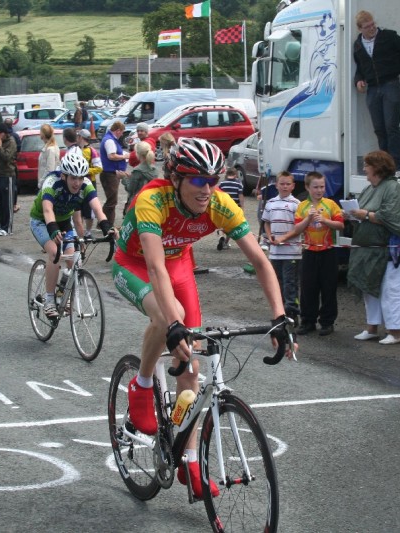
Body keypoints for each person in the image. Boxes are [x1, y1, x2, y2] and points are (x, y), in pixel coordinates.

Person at [112, 137, 293, 499]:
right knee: (170, 318)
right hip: (135, 264)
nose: (207, 189)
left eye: (214, 180)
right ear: (176, 178)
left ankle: (191, 462)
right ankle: (142, 385)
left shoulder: (221, 205)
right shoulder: (153, 199)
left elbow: (260, 261)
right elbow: (153, 266)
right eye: (197, 180)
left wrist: (280, 317)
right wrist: (173, 323)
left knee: (192, 367)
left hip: (178, 264)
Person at [347, 150, 400, 345]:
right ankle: (372, 328)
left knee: (392, 291)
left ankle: (395, 332)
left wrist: (364, 215)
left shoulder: (392, 188)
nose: (364, 168)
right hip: (369, 252)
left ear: (377, 167)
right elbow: (364, 211)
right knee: (370, 289)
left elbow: (392, 217)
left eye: (366, 165)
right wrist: (351, 214)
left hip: (391, 252)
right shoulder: (370, 188)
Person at [29, 150, 114, 318]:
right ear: (64, 176)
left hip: (64, 222)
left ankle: (63, 290)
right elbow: (47, 210)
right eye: (73, 178)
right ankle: (50, 300)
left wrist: (106, 227)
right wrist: (53, 229)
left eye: (81, 178)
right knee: (55, 252)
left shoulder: (85, 185)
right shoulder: (52, 183)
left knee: (74, 259)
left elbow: (97, 208)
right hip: (42, 221)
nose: (77, 183)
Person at [279, 172, 345, 336]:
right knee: (308, 288)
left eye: (322, 187)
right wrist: (308, 220)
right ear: (308, 187)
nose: (319, 190)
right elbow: (297, 230)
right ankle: (308, 321)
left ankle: (327, 322)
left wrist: (325, 221)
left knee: (328, 288)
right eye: (315, 187)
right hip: (309, 251)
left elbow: (340, 225)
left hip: (328, 252)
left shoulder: (331, 204)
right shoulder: (302, 206)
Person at [353, 10, 400, 179]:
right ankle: (385, 167)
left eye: (373, 24)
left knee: (391, 126)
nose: (372, 28)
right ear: (360, 29)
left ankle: (399, 166)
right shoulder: (358, 45)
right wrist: (359, 80)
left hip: (390, 84)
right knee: (379, 129)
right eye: (367, 27)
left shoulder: (388, 36)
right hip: (372, 88)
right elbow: (359, 67)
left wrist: (396, 68)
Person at [264, 171, 302, 320]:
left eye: (288, 184)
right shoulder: (271, 203)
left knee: (290, 284)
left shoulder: (297, 204)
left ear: (293, 186)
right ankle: (280, 313)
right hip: (275, 252)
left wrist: (283, 238)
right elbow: (267, 222)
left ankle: (293, 314)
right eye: (282, 184)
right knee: (277, 282)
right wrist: (269, 235)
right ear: (276, 185)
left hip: (292, 252)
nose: (285, 187)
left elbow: (298, 227)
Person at [99, 120, 130, 227]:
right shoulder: (110, 141)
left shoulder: (110, 139)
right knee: (112, 201)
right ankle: (107, 224)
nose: (122, 134)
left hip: (111, 174)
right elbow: (111, 156)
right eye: (122, 132)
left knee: (111, 200)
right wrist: (124, 156)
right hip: (109, 175)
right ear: (118, 131)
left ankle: (103, 222)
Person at [75, 128, 103, 237]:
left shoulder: (92, 151)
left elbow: (99, 168)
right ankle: (79, 231)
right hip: (77, 184)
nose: (77, 138)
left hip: (89, 183)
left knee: (89, 208)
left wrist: (84, 171)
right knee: (77, 207)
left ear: (81, 137)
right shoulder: (76, 149)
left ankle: (88, 232)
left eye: (78, 136)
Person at [122, 139, 157, 215]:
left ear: (137, 154)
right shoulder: (154, 168)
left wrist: (123, 178)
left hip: (137, 202)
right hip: (150, 201)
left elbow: (130, 189)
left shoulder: (138, 170)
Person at [216, 167, 245, 250]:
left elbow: (219, 195)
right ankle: (225, 242)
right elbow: (241, 196)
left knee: (221, 224)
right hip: (234, 208)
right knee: (231, 226)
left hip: (223, 207)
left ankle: (221, 236)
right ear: (235, 175)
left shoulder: (222, 184)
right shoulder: (238, 184)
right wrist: (242, 207)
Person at [37, 124, 60, 190]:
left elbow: (50, 169)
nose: (39, 133)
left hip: (47, 184)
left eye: (40, 132)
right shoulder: (47, 147)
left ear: (43, 134)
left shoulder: (50, 149)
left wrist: (41, 183)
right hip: (45, 183)